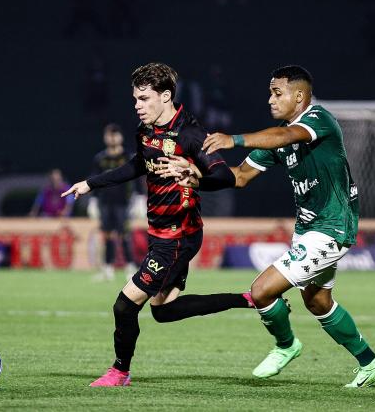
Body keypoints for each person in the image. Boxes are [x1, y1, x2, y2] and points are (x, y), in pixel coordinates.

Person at [157, 65, 375, 387]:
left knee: (262, 290)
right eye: (270, 92)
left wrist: (233, 139)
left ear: (299, 96)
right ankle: (371, 363)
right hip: (309, 228)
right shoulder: (278, 138)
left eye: (276, 93)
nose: (270, 99)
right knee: (317, 301)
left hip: (332, 226)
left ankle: (286, 345)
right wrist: (195, 177)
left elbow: (285, 135)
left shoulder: (318, 120)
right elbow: (239, 177)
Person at [61, 62, 253, 387]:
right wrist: (91, 184)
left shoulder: (192, 134)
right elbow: (139, 163)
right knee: (164, 310)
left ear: (165, 96)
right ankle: (248, 299)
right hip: (160, 234)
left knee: (124, 305)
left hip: (178, 237)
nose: (137, 105)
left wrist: (196, 176)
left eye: (144, 98)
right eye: (135, 99)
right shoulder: (146, 130)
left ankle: (119, 372)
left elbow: (225, 175)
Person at [90, 123, 137, 280]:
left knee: (124, 235)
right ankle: (108, 268)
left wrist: (140, 198)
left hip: (124, 202)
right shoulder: (100, 159)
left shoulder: (128, 157)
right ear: (105, 137)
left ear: (121, 137)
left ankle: (130, 267)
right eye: (110, 134)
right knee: (108, 235)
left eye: (115, 134)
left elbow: (137, 179)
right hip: (105, 202)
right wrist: (93, 200)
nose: (112, 138)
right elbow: (94, 180)